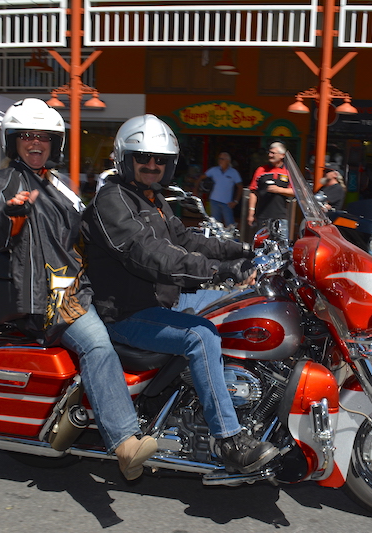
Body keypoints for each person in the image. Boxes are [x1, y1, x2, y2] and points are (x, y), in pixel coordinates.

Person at [82, 114, 279, 474]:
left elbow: (186, 240)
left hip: (166, 300)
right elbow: (148, 253)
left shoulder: (153, 199)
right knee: (201, 337)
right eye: (143, 158)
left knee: (247, 306)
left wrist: (243, 249)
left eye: (160, 160)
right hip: (127, 313)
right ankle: (228, 440)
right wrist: (218, 271)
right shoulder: (111, 202)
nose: (152, 165)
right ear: (125, 159)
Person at [0, 99, 156, 480]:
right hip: (50, 294)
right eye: (26, 136)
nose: (35, 143)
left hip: (82, 284)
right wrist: (11, 215)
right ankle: (125, 443)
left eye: (43, 137)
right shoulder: (3, 182)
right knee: (97, 345)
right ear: (13, 142)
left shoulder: (58, 183)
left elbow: (87, 229)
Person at [247, 142, 294, 234]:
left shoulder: (288, 172)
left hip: (281, 216)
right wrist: (251, 212)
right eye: (269, 152)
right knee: (261, 245)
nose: (270, 155)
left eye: (273, 153)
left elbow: (294, 192)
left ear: (282, 155)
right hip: (262, 216)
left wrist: (278, 190)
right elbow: (253, 191)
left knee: (281, 245)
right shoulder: (261, 170)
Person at [198, 152, 242, 226]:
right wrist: (196, 190)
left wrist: (236, 201)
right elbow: (201, 178)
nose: (220, 160)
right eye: (219, 159)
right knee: (215, 225)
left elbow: (240, 187)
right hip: (214, 201)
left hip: (227, 203)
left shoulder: (233, 173)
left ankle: (232, 238)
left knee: (230, 225)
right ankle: (216, 238)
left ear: (228, 161)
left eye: (222, 159)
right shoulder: (214, 170)